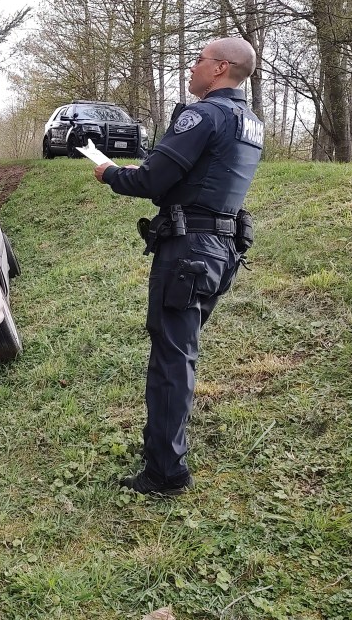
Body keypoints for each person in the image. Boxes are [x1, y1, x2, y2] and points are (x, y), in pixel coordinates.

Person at [93, 37, 264, 496]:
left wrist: (109, 173)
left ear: (220, 69)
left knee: (171, 358)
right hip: (222, 250)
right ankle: (163, 449)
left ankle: (166, 472)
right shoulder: (250, 123)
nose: (192, 66)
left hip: (188, 253)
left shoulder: (203, 115)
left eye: (199, 59)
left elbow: (152, 180)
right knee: (180, 352)